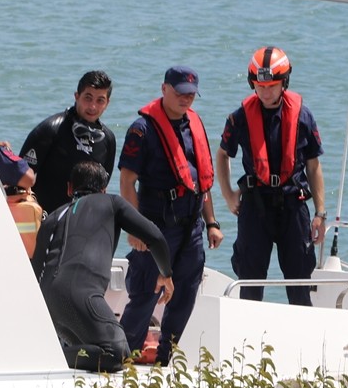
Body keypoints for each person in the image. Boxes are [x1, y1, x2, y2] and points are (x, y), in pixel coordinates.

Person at [117, 66, 224, 366]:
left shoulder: (195, 124)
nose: (185, 99)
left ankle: (167, 358)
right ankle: (121, 358)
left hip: (191, 226)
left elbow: (202, 182)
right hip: (156, 226)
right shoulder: (142, 129)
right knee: (146, 293)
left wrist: (212, 223)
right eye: (179, 93)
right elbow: (127, 181)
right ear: (164, 89)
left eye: (191, 94)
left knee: (186, 293)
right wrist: (135, 228)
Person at [31, 161, 174, 373]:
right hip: (81, 294)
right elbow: (155, 237)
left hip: (47, 300)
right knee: (117, 353)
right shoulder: (112, 203)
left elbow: (35, 270)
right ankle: (48, 357)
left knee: (92, 350)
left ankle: (50, 354)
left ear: (69, 188)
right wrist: (166, 275)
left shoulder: (52, 217)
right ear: (104, 189)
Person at [216, 47, 327, 305]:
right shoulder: (239, 118)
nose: (265, 92)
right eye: (260, 86)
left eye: (272, 86)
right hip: (255, 207)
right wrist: (228, 194)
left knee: (299, 282)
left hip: (293, 205)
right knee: (250, 282)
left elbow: (313, 166)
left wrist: (320, 213)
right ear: (252, 84)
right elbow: (222, 155)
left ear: (284, 82)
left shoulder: (303, 116)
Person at [19, 70, 118, 214]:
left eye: (100, 100)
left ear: (107, 103)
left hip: (85, 221)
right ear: (77, 96)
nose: (93, 107)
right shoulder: (51, 129)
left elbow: (102, 189)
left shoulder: (108, 140)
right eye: (88, 98)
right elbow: (19, 177)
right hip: (46, 219)